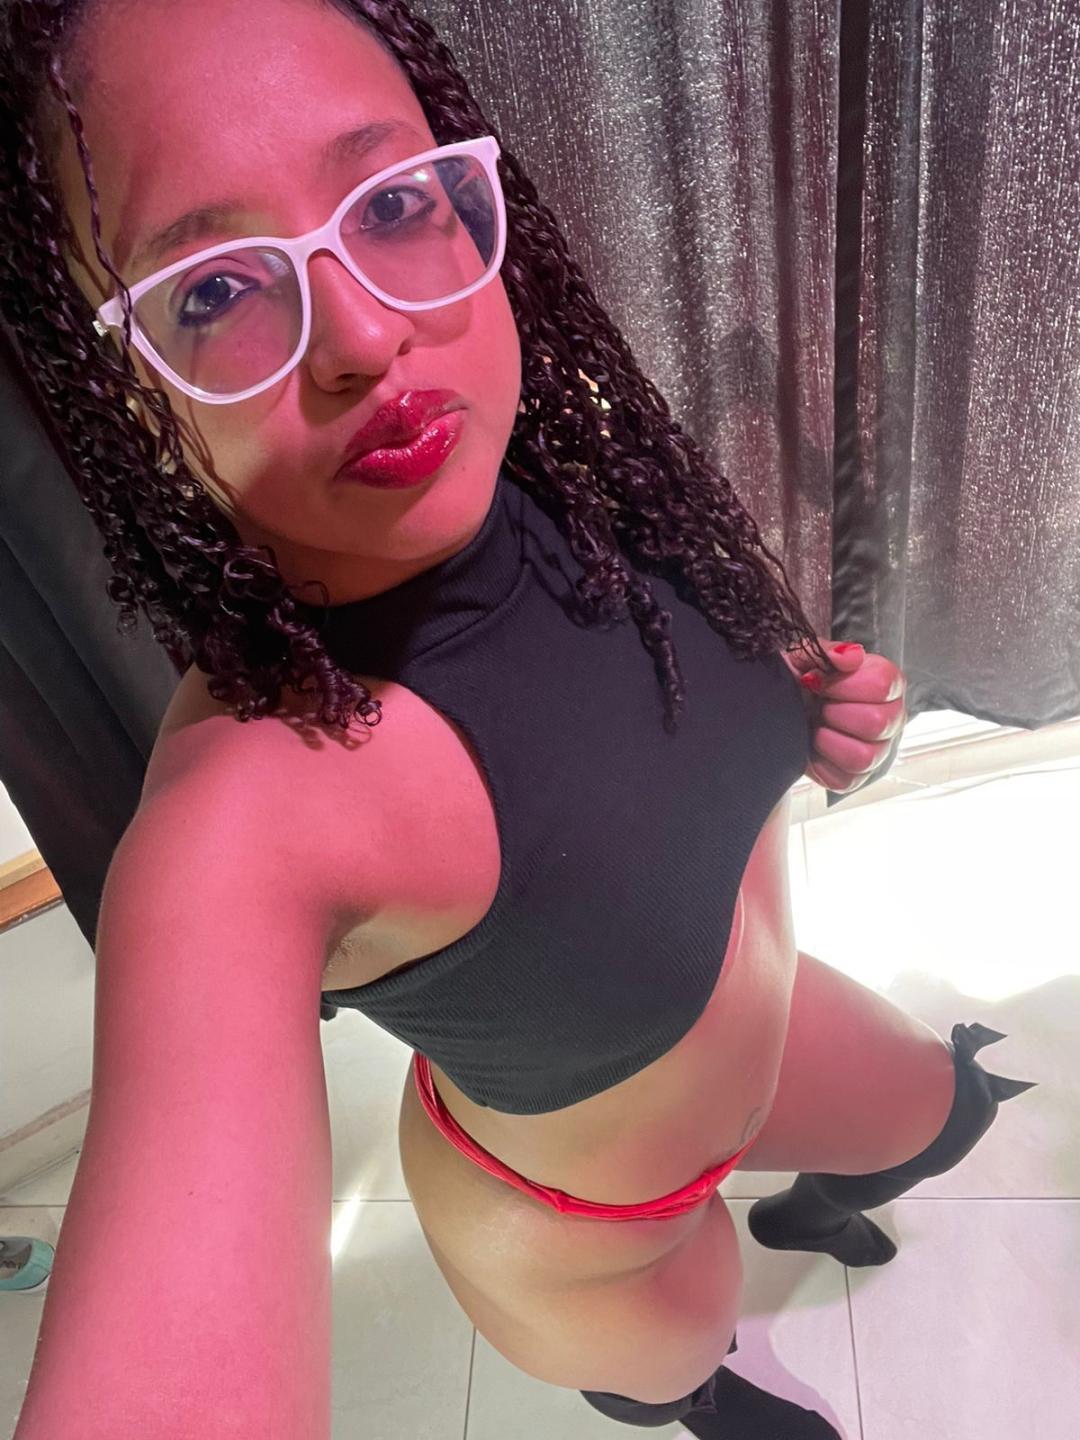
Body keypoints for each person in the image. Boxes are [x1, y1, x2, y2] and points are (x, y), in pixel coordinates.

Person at [0, 2, 1036, 1436]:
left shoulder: (569, 466)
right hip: (589, 1235)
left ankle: (814, 1207)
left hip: (771, 1025)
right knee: (686, 1358)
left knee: (947, 1114)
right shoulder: (249, 810)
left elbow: (642, 752)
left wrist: (802, 709)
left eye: (393, 203)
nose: (366, 334)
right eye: (217, 290)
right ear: (117, 386)